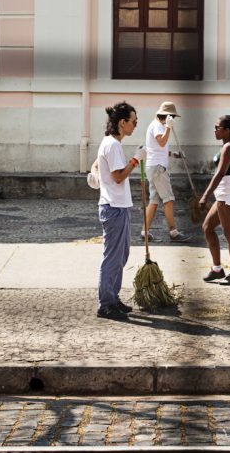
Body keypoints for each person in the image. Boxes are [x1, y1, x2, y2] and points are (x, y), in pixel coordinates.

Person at [93, 101, 145, 321]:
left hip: (117, 205)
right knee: (112, 258)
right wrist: (136, 159)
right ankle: (105, 304)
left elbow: (98, 167)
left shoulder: (110, 143)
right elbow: (118, 176)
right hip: (113, 207)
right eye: (133, 122)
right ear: (122, 122)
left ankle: (113, 298)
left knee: (120, 256)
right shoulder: (112, 145)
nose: (135, 125)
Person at [198, 115, 230, 286]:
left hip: (228, 193)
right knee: (207, 227)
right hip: (225, 192)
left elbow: (220, 174)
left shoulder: (229, 147)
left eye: (217, 127)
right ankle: (217, 269)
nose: (215, 130)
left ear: (227, 130)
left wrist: (205, 196)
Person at [144, 101, 191, 243]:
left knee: (154, 201)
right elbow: (162, 142)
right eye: (173, 118)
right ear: (167, 116)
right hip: (158, 168)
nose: (173, 120)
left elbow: (159, 148)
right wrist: (169, 128)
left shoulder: (157, 125)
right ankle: (173, 232)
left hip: (154, 166)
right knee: (169, 200)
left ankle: (144, 231)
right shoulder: (159, 126)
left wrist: (174, 154)